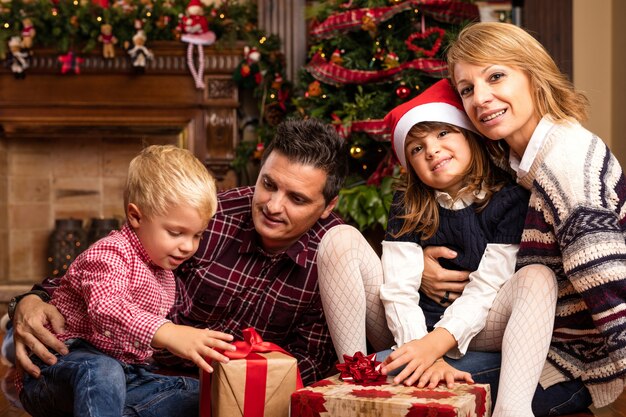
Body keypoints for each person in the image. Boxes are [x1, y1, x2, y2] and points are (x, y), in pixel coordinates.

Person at [7, 118, 364, 387]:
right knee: (96, 380)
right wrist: (29, 301)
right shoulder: (210, 214)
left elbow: (308, 367)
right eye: (268, 184)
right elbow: (102, 274)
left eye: (297, 198)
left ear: (328, 205)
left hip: (229, 392)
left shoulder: (335, 257)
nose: (272, 205)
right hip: (138, 368)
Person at [435, 21, 626, 414]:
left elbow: (612, 288)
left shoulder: (566, 165)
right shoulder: (515, 163)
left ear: (533, 75)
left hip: (570, 362)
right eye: (467, 89)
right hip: (521, 332)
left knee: (408, 382)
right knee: (393, 365)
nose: (480, 98)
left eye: (496, 76)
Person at [19, 145, 236, 417]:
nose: (188, 246)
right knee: (102, 371)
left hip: (126, 373)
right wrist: (168, 333)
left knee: (195, 393)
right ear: (135, 216)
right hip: (60, 368)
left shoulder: (164, 271)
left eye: (197, 235)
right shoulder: (110, 253)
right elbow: (107, 308)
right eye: (176, 232)